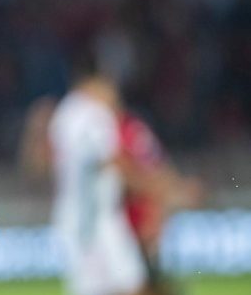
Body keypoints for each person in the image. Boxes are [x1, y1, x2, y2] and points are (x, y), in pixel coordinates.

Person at [48, 73, 147, 295]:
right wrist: (151, 185)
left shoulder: (63, 113)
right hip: (96, 219)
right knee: (130, 283)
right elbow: (109, 158)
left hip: (73, 214)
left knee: (97, 286)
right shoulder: (93, 113)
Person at [117, 112, 202, 295]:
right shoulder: (122, 130)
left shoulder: (127, 130)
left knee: (137, 282)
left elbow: (157, 172)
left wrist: (158, 214)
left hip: (133, 227)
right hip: (125, 228)